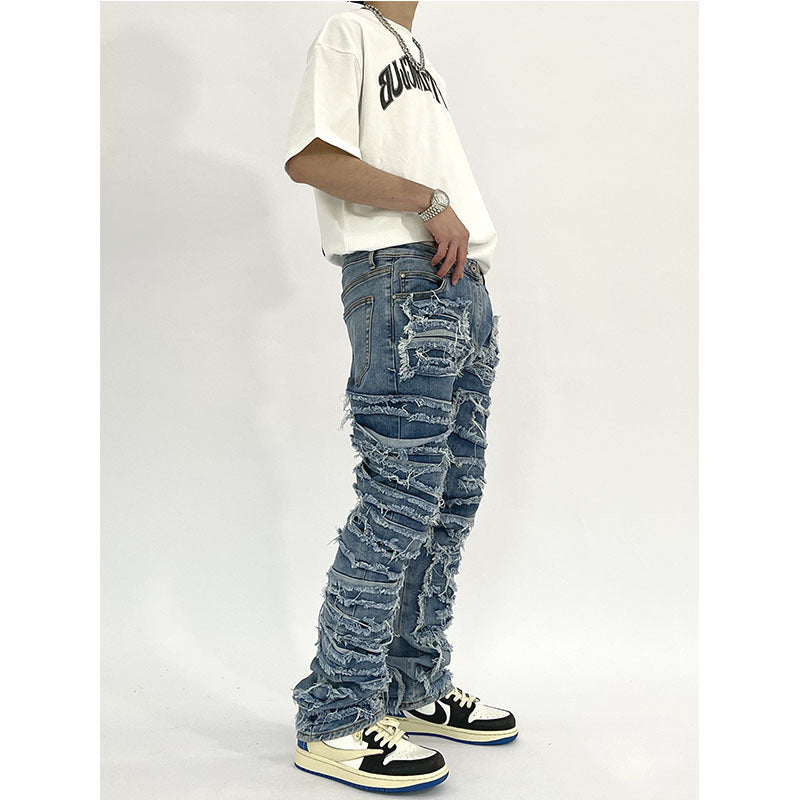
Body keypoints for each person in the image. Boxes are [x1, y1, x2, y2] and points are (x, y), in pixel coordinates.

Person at [283, 1, 516, 791]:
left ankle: (413, 685)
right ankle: (335, 715)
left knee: (451, 499)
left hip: (460, 287)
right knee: (399, 502)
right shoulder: (348, 31)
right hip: (403, 276)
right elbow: (311, 157)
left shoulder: (414, 51)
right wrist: (430, 202)